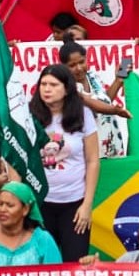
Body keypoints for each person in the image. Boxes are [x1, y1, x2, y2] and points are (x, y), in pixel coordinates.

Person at [29, 64, 99, 262]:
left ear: (67, 88)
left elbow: (93, 160)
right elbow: (20, 157)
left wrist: (87, 204)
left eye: (53, 84)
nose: (47, 89)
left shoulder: (83, 114)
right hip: (39, 203)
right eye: (43, 84)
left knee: (75, 266)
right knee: (41, 266)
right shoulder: (29, 114)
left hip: (75, 205)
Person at [58, 41, 130, 159]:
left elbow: (105, 101)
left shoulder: (92, 76)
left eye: (82, 62)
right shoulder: (67, 87)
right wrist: (115, 110)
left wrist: (118, 80)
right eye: (72, 65)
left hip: (111, 139)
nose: (79, 68)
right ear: (63, 67)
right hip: (90, 146)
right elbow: (93, 104)